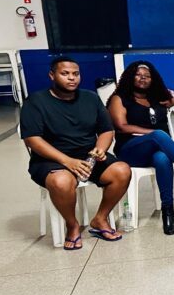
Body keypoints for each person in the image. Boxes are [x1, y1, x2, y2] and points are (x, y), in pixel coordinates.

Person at [20, 56, 132, 249]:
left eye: (75, 74)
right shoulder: (36, 101)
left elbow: (106, 130)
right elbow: (33, 140)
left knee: (122, 171)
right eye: (65, 74)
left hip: (88, 156)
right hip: (51, 158)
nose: (72, 78)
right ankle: (72, 225)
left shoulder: (90, 98)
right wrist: (67, 161)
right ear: (52, 75)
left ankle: (100, 219)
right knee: (61, 181)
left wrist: (100, 149)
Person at [108, 61, 174, 235]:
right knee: (159, 135)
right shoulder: (119, 98)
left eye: (147, 76)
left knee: (162, 158)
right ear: (130, 76)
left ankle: (168, 211)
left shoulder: (157, 99)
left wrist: (173, 99)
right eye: (138, 74)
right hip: (130, 150)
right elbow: (121, 126)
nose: (143, 78)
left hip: (154, 151)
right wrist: (153, 133)